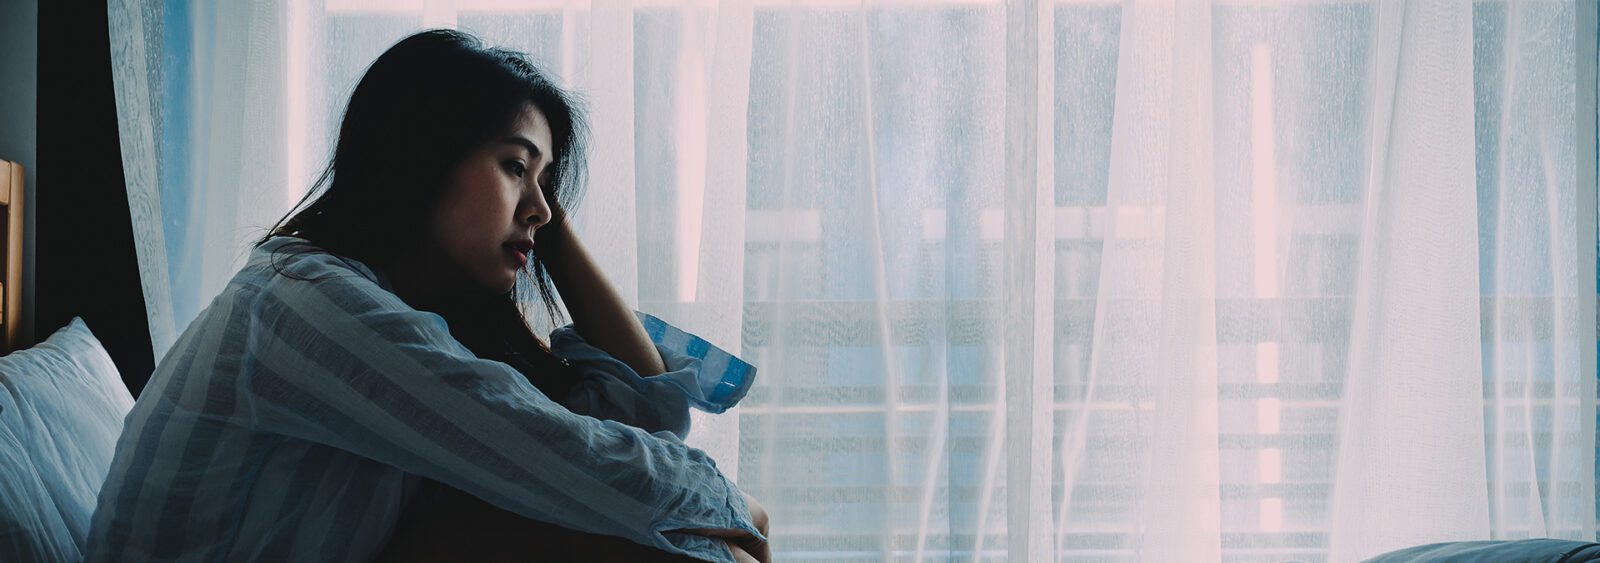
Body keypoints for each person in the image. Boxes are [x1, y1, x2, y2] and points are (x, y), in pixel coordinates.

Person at [85, 29, 768, 562]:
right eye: (514, 166)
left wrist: (545, 225)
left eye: (548, 185)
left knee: (646, 529)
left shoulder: (414, 315)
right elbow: (557, 454)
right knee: (670, 535)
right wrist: (731, 504)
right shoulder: (305, 303)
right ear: (422, 155)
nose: (541, 209)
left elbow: (640, 420)